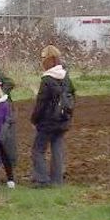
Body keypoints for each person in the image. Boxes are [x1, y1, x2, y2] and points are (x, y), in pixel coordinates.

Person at [30, 45, 76, 188]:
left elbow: (41, 103)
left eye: (43, 58)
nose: (41, 61)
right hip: (63, 119)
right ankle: (57, 181)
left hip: (47, 121)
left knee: (38, 150)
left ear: (49, 59)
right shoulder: (65, 76)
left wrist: (34, 119)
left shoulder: (47, 79)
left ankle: (42, 180)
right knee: (57, 148)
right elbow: (72, 95)